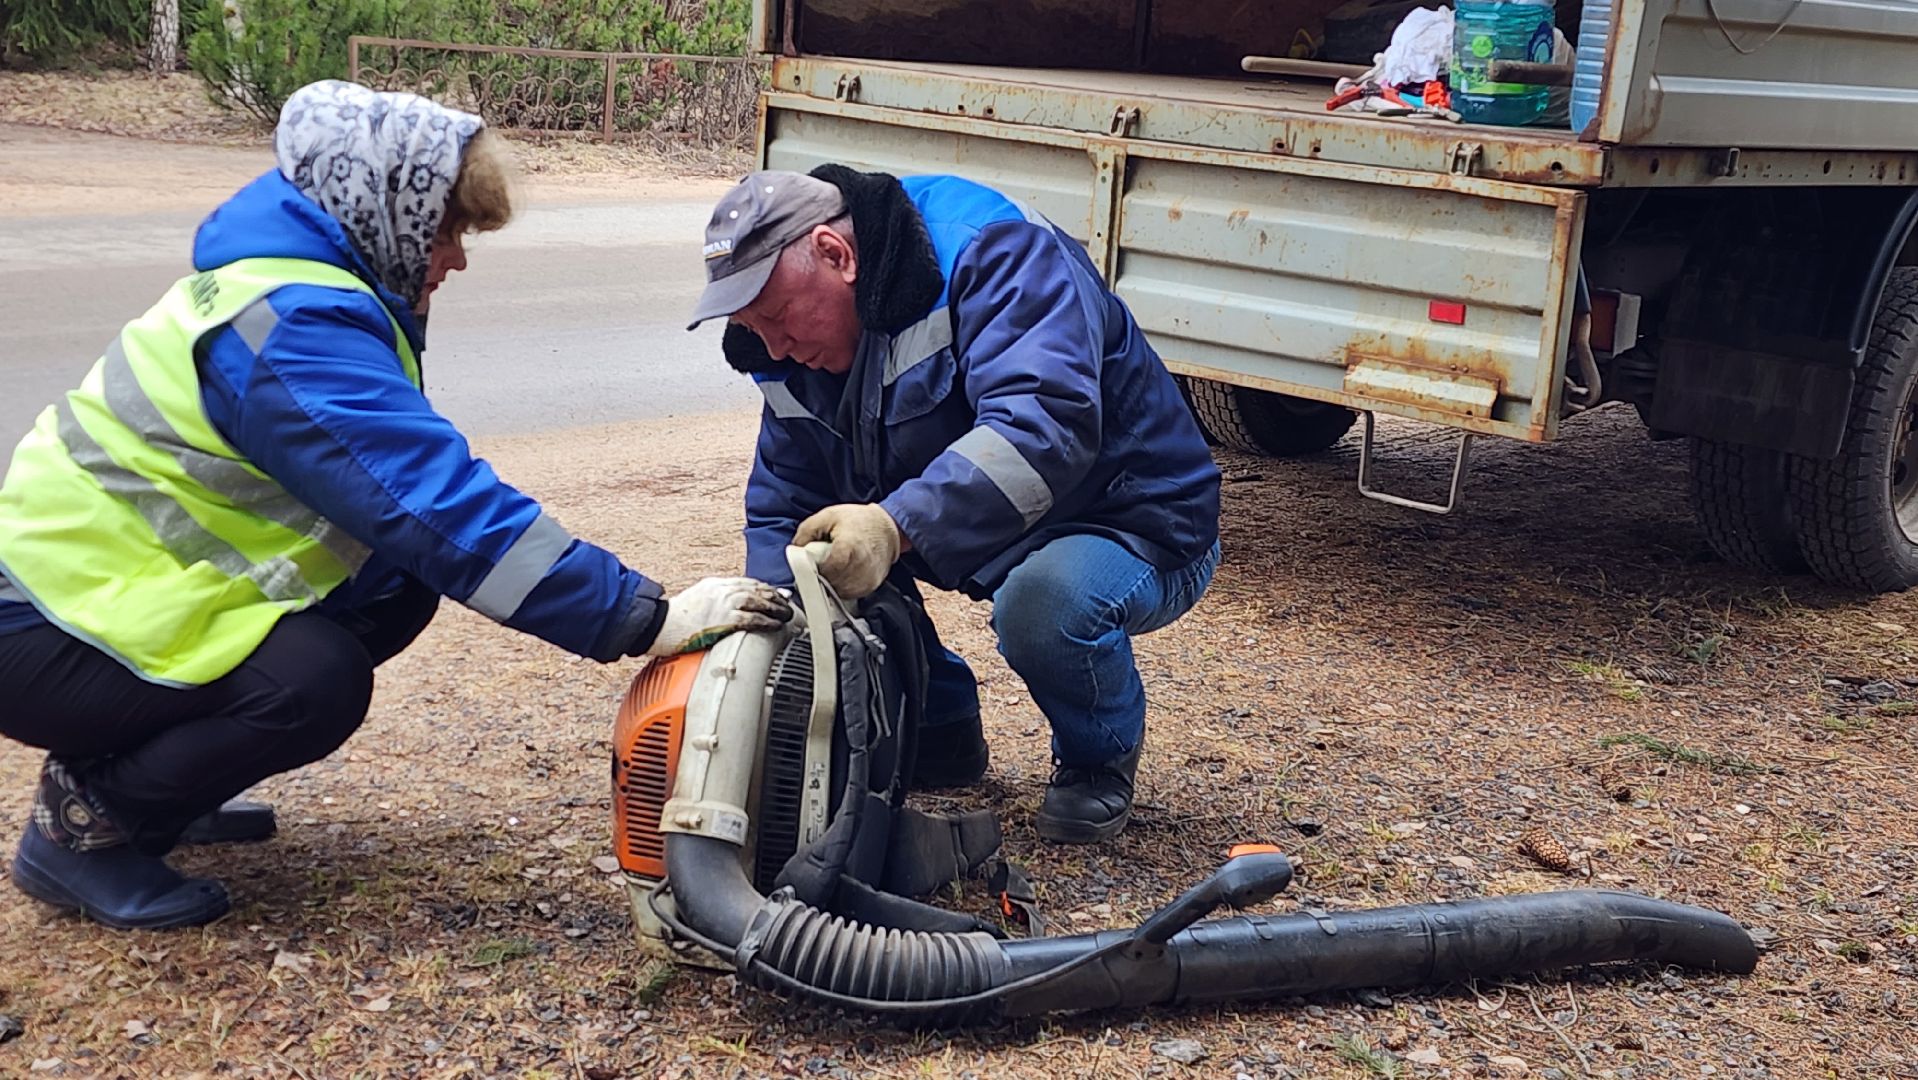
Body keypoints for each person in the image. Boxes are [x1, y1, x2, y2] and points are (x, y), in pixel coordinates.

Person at [0, 81, 791, 931]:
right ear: (383, 209)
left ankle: (160, 789)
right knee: (315, 684)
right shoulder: (288, 327)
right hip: (42, 628)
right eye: (447, 229)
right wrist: (644, 618)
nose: (454, 258)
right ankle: (85, 827)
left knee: (390, 587)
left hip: (104, 600)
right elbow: (433, 506)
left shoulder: (297, 286)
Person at [688, 166, 1221, 844]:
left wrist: (894, 524)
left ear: (835, 254)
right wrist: (779, 620)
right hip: (986, 527)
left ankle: (1097, 760)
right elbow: (780, 510)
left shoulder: (995, 251)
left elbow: (1043, 429)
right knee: (818, 575)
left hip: (1131, 516)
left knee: (1043, 603)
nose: (773, 347)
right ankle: (942, 729)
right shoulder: (786, 347)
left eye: (778, 318)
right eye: (750, 327)